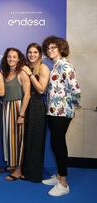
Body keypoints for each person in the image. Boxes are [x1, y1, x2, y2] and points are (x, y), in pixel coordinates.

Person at [41, 36, 81, 197]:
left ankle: (63, 183)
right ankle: (58, 175)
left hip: (62, 112)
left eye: (53, 48)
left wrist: (71, 106)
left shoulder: (65, 65)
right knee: (56, 143)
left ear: (61, 48)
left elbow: (75, 90)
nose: (50, 50)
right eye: (48, 48)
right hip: (52, 111)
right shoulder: (55, 66)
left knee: (58, 144)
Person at [21, 43, 50, 182]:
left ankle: (34, 174)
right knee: (27, 139)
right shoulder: (27, 67)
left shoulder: (43, 68)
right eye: (30, 52)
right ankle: (25, 171)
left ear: (40, 54)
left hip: (37, 106)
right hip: (26, 105)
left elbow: (41, 90)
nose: (32, 55)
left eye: (35, 52)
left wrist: (30, 74)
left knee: (36, 140)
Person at [1, 48, 30, 181]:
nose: (11, 59)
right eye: (9, 57)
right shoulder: (6, 73)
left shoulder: (22, 73)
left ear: (19, 59)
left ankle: (19, 170)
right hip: (6, 107)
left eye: (14, 57)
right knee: (10, 138)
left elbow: (27, 95)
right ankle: (13, 165)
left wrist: (22, 114)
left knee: (18, 139)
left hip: (17, 108)